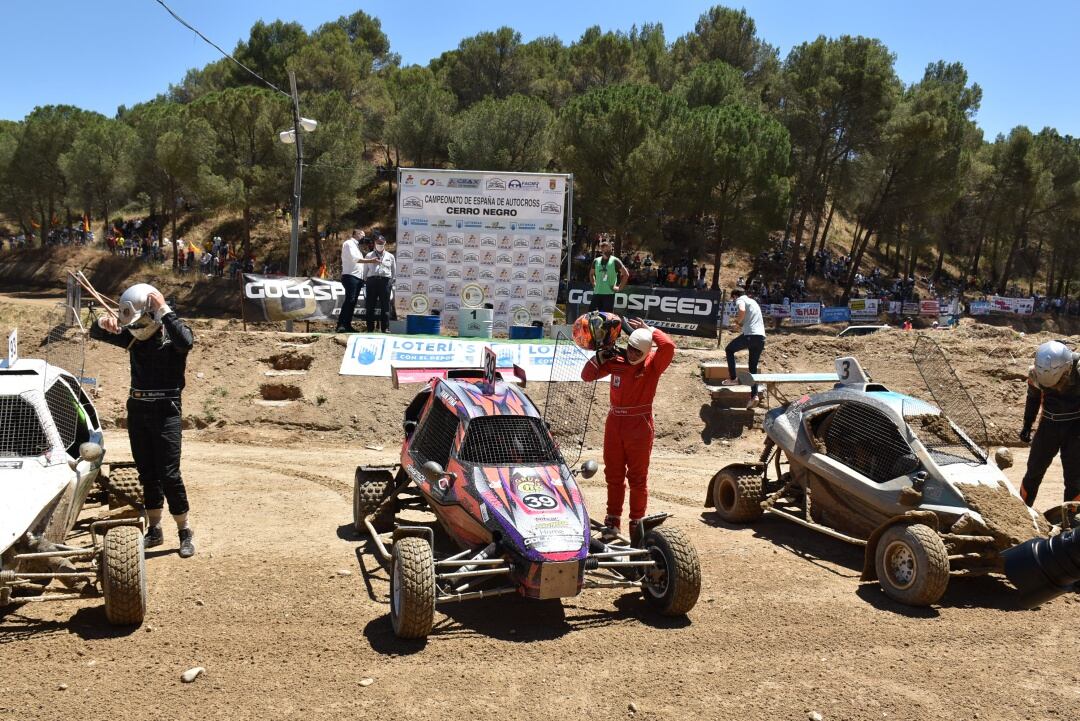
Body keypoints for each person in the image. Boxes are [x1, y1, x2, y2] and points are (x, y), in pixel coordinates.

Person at [90, 283, 196, 557]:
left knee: (169, 474)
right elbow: (95, 331)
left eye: (142, 320)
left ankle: (184, 531)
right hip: (138, 409)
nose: (137, 327)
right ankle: (155, 529)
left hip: (166, 410)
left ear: (153, 314)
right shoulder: (134, 337)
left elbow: (186, 341)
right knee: (147, 473)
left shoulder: (174, 335)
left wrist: (164, 310)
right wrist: (103, 322)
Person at [580, 316, 675, 540]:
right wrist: (598, 358)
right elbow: (586, 376)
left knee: (637, 477)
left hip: (639, 425)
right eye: (630, 348)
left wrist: (651, 330)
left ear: (646, 352)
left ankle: (637, 523)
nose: (632, 354)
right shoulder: (618, 360)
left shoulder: (653, 364)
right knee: (613, 475)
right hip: (614, 423)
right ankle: (613, 520)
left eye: (637, 352)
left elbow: (669, 346)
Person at [1018, 340, 1080, 506]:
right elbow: (1033, 398)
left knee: (1075, 479)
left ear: (1067, 370)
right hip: (1048, 426)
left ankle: (1073, 518)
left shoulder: (1078, 369)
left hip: (1075, 428)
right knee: (1033, 472)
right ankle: (1021, 511)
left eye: (1058, 382)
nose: (1055, 387)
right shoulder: (1035, 373)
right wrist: (1027, 424)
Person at [721, 286, 766, 408]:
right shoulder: (753, 301)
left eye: (733, 299)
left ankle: (733, 378)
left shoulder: (740, 300)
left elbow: (741, 310)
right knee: (752, 368)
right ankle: (754, 396)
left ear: (735, 296)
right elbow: (750, 320)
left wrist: (736, 323)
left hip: (751, 335)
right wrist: (740, 326)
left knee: (729, 349)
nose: (734, 301)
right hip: (761, 338)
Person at [337, 228, 377, 333]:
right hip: (350, 276)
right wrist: (371, 261)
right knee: (349, 300)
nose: (364, 238)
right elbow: (355, 259)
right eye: (363, 236)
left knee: (353, 302)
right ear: (356, 234)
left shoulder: (357, 247)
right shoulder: (349, 243)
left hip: (358, 278)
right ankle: (341, 325)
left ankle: (347, 325)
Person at [364, 232, 396, 333]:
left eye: (381, 243)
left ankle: (385, 328)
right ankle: (370, 328)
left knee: (385, 306)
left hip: (385, 282)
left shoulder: (390, 256)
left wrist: (390, 282)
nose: (380, 244)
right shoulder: (369, 255)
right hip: (372, 281)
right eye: (378, 243)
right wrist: (366, 281)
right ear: (374, 243)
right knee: (370, 306)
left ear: (385, 243)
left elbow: (393, 271)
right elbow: (365, 270)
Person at [588, 238, 629, 313]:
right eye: (604, 249)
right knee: (591, 316)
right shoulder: (596, 261)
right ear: (601, 249)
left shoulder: (615, 261)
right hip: (597, 293)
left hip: (609, 294)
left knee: (606, 317)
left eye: (608, 249)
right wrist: (594, 284)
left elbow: (626, 274)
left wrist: (619, 288)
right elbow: (591, 274)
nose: (607, 251)